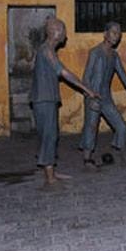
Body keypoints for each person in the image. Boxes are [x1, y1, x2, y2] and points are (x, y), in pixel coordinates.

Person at [30, 17, 98, 185]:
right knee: (49, 136)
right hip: (44, 99)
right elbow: (64, 73)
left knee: (49, 135)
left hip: (45, 98)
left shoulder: (46, 50)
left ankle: (50, 170)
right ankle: (50, 177)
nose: (65, 35)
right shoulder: (47, 50)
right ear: (56, 32)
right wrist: (86, 89)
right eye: (64, 31)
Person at [79, 21, 126, 169]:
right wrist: (89, 96)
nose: (117, 36)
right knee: (91, 126)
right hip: (93, 96)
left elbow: (122, 74)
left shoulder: (114, 55)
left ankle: (123, 158)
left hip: (106, 97)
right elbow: (86, 78)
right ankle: (87, 160)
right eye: (114, 32)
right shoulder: (95, 53)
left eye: (119, 33)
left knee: (122, 127)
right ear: (105, 34)